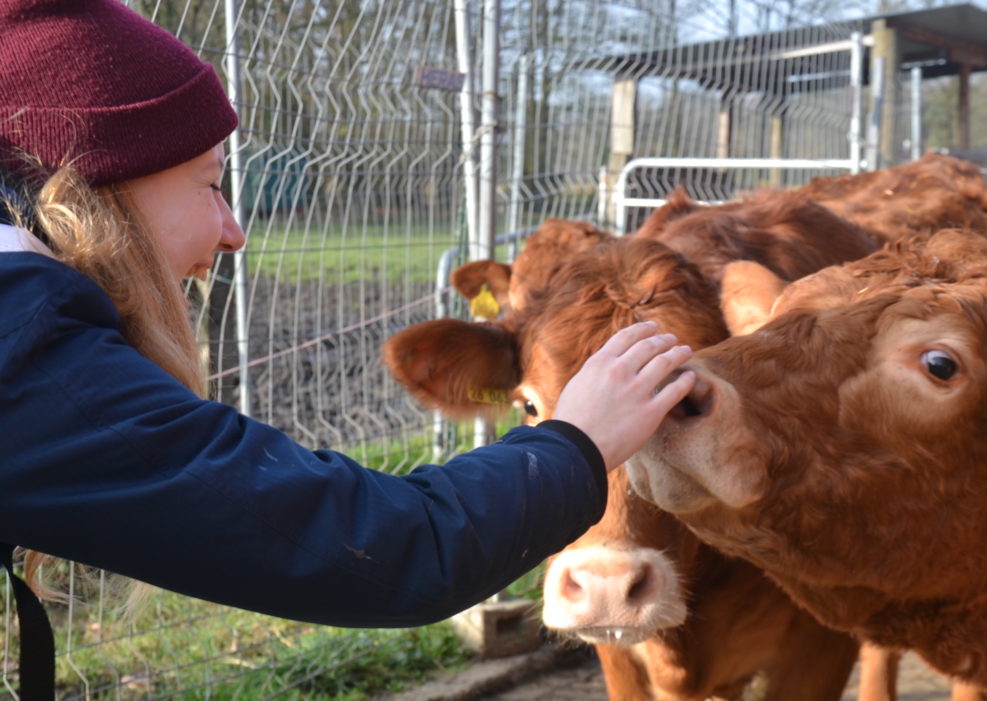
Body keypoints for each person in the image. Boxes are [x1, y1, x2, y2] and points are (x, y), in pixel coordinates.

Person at [0, 0, 696, 695]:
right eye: (212, 184)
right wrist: (575, 440)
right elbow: (375, 545)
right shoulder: (23, 348)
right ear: (98, 182)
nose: (235, 231)